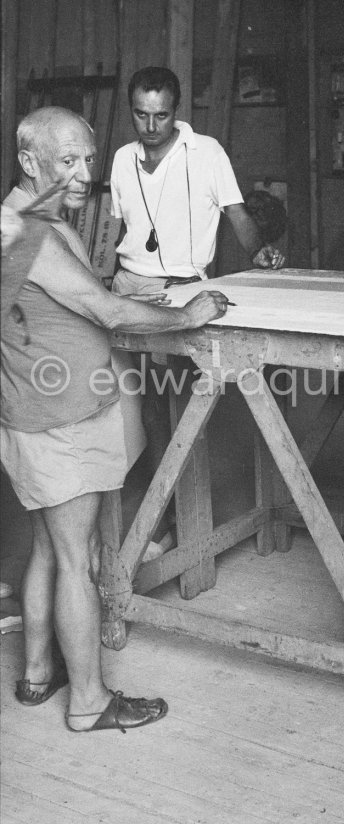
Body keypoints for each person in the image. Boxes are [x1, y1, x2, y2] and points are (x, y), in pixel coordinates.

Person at [1, 106, 231, 732]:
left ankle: (37, 674)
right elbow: (100, 312)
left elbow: (72, 297)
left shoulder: (33, 220)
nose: (84, 174)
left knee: (51, 547)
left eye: (88, 159)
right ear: (29, 162)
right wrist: (190, 314)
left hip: (42, 409)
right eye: (67, 160)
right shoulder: (28, 229)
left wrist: (118, 291)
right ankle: (88, 703)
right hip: (61, 416)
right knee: (77, 559)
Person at [109, 67, 285, 519]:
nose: (150, 127)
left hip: (181, 290)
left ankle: (175, 511)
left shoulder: (206, 153)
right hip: (128, 285)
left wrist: (258, 252)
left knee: (174, 400)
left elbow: (236, 213)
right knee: (134, 402)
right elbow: (120, 229)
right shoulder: (121, 158)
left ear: (177, 110)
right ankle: (157, 501)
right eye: (141, 115)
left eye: (161, 116)